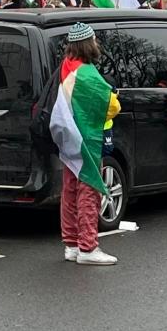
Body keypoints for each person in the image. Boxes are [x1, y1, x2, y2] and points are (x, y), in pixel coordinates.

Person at [48, 23, 121, 264]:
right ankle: (88, 247)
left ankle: (71, 243)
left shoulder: (66, 67)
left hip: (66, 138)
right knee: (89, 190)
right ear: (89, 44)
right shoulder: (88, 74)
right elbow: (112, 107)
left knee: (69, 189)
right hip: (86, 140)